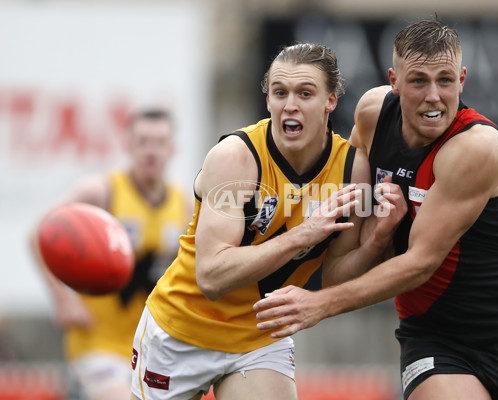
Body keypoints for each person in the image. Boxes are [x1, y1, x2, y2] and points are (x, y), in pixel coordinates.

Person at [254, 18, 498, 400]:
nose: (433, 96)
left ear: (463, 80)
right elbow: (339, 271)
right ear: (394, 80)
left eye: (445, 80)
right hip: (434, 338)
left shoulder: (475, 147)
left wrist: (318, 304)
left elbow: (421, 262)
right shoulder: (372, 116)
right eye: (419, 81)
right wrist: (378, 238)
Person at [129, 43, 403, 400]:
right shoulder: (236, 158)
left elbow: (336, 276)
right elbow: (211, 276)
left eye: (305, 93)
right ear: (268, 101)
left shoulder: (353, 169)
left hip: (259, 337)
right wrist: (302, 235)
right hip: (182, 330)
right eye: (280, 93)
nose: (290, 104)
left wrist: (378, 241)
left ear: (330, 101)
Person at [31, 109, 192, 400]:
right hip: (98, 342)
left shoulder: (184, 204)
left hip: (153, 344)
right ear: (128, 145)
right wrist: (62, 300)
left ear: (173, 149)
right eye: (143, 141)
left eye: (159, 142)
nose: (151, 151)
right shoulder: (101, 191)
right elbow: (40, 233)